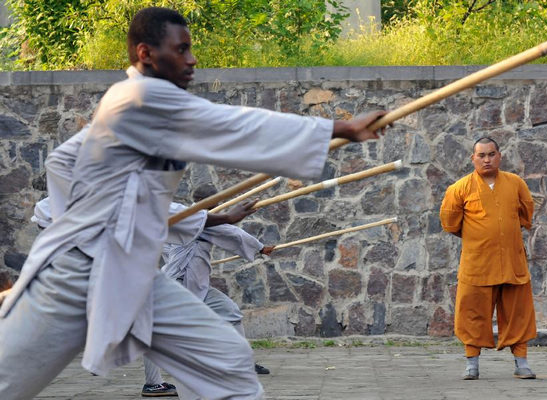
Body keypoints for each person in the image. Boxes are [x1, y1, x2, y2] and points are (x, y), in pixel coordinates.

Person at [0, 7, 389, 400]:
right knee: (7, 379)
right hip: (76, 274)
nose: (192, 59)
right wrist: (342, 128)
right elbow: (233, 125)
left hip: (130, 274)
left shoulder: (129, 104)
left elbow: (61, 161)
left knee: (227, 358)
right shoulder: (139, 97)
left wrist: (91, 210)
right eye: (181, 49)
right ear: (145, 53)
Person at [143, 200, 275, 397]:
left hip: (199, 288)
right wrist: (260, 247)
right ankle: (154, 384)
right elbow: (230, 232)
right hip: (176, 287)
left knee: (230, 311)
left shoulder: (178, 222)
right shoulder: (191, 223)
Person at [439, 137, 536, 381]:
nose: (486, 159)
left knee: (518, 312)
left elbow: (526, 213)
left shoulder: (515, 183)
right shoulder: (459, 188)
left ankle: (521, 363)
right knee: (471, 312)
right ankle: (472, 364)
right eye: (481, 155)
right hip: (477, 263)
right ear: (473, 159)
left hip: (512, 262)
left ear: (499, 156)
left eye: (491, 154)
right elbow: (450, 223)